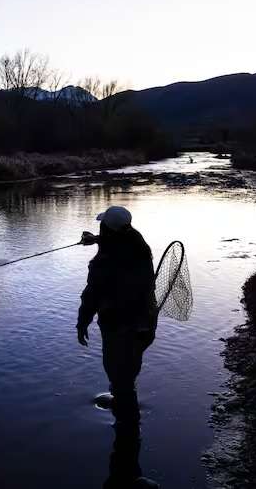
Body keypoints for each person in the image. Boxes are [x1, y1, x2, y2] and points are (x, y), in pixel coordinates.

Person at [78, 206, 159, 488]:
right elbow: (119, 243)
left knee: (117, 374)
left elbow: (91, 296)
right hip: (145, 324)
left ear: (108, 229)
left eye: (102, 229)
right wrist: (96, 241)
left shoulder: (104, 263)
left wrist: (82, 323)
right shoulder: (138, 243)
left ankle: (126, 425)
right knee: (129, 369)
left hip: (118, 326)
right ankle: (127, 424)